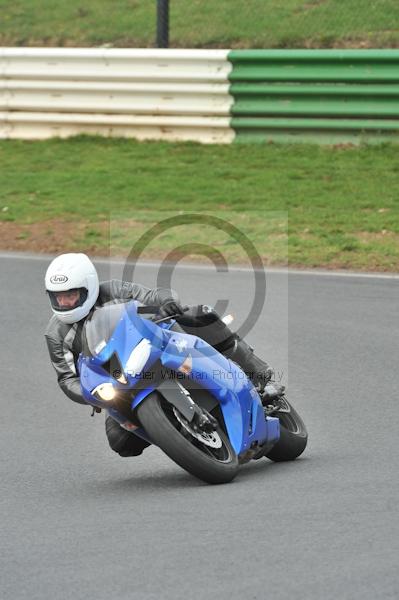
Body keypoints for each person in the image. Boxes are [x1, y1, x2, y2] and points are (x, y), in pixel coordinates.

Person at [45, 253, 279, 458]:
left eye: (71, 295)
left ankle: (256, 375)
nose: (64, 302)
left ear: (89, 287)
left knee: (198, 315)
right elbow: (67, 379)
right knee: (120, 442)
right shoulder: (56, 334)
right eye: (58, 297)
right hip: (118, 382)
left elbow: (152, 295)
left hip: (151, 349)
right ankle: (180, 436)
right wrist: (91, 394)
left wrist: (166, 302)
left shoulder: (113, 290)